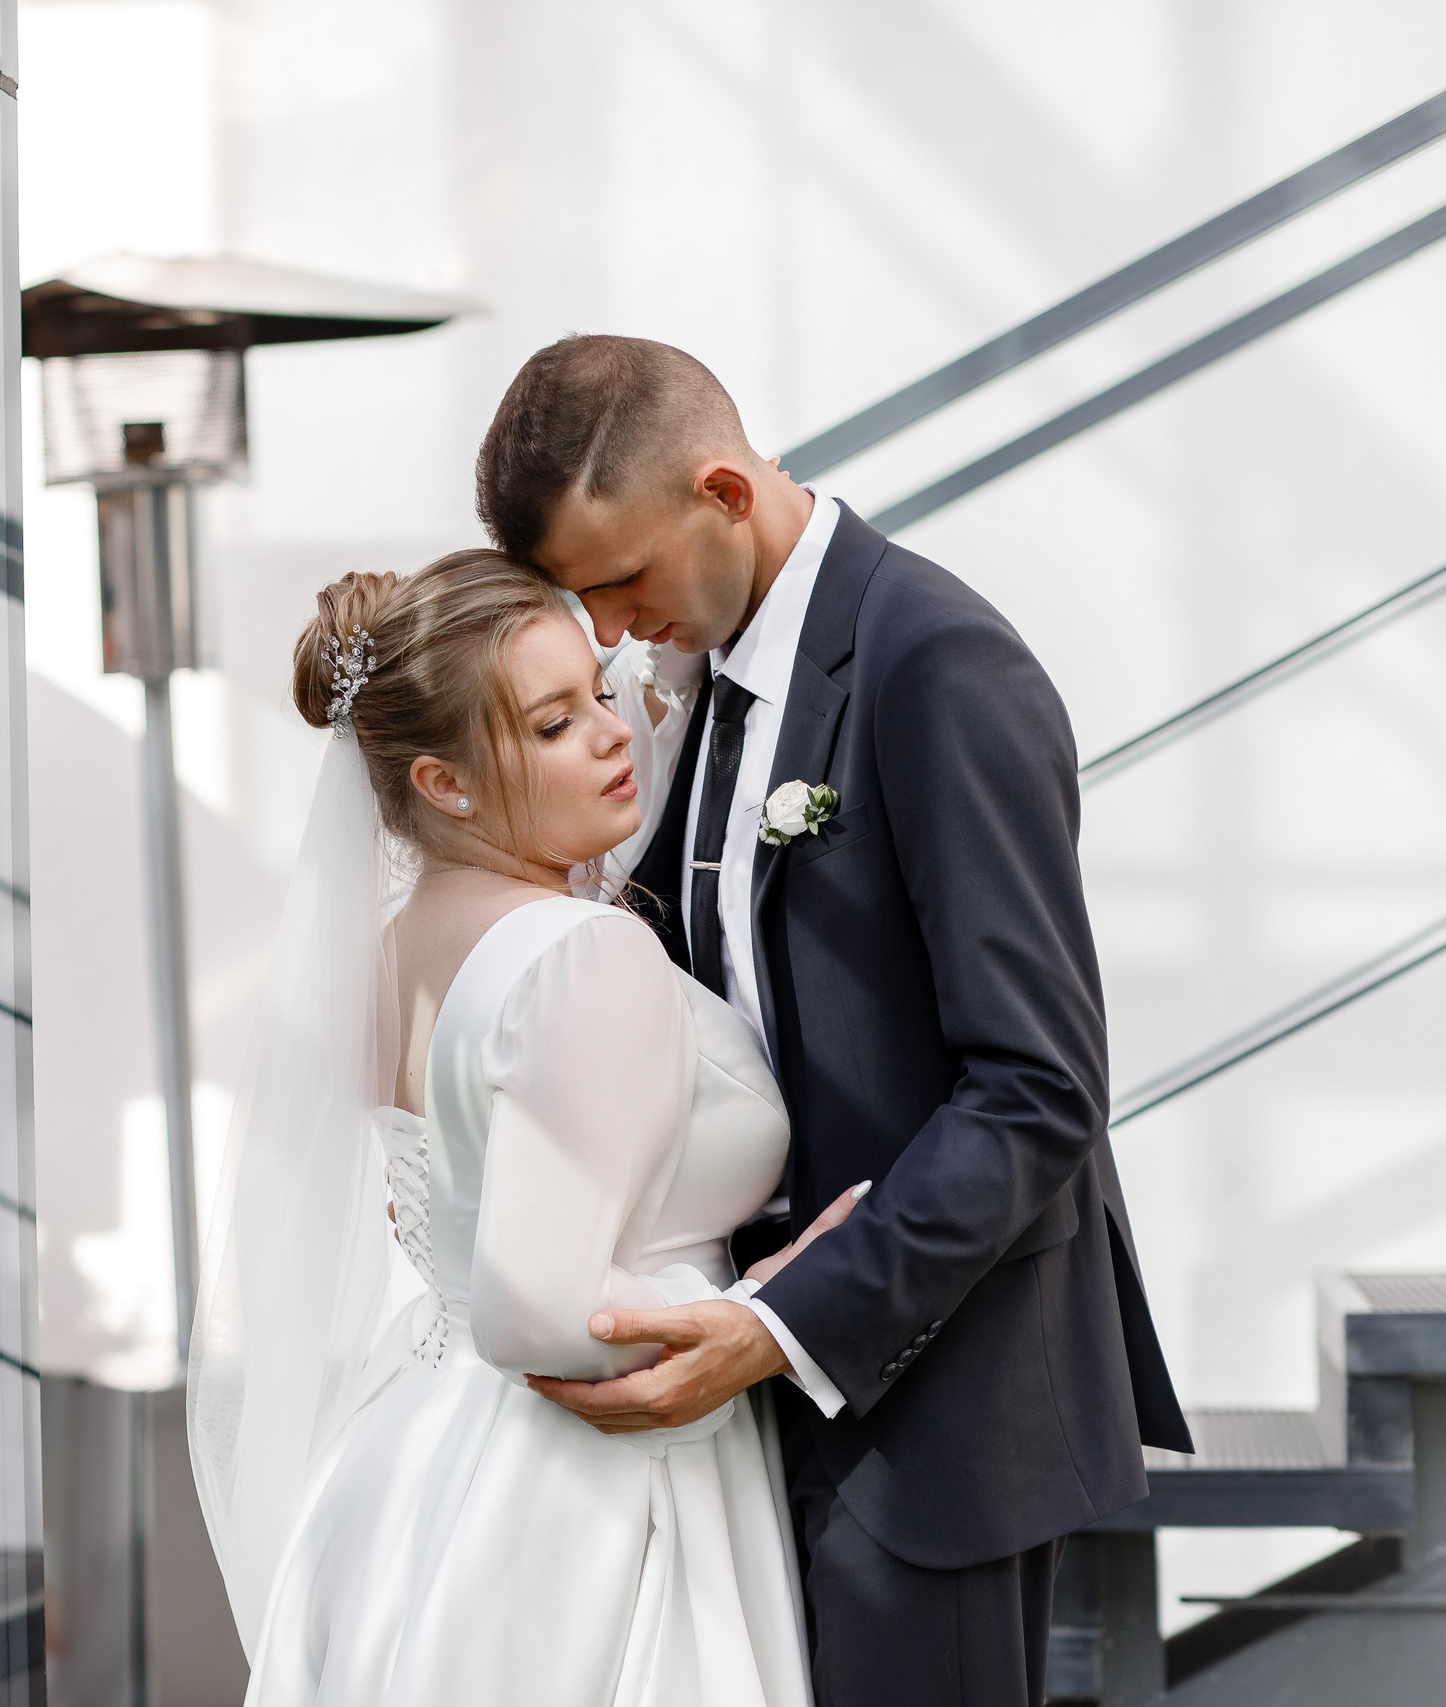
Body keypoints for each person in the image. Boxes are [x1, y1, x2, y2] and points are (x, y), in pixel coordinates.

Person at [473, 335, 1190, 1706]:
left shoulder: (941, 666)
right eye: (585, 597)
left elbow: (1036, 1087)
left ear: (726, 492)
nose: (612, 634)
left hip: (932, 1415)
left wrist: (787, 1320)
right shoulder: (695, 679)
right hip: (745, 1413)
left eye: (623, 581)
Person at [188, 552, 868, 1703]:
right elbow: (536, 1310)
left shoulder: (389, 950)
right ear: (443, 786)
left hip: (411, 1468)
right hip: (581, 1502)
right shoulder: (580, 954)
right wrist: (777, 1304)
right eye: (555, 724)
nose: (610, 735)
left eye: (599, 696)